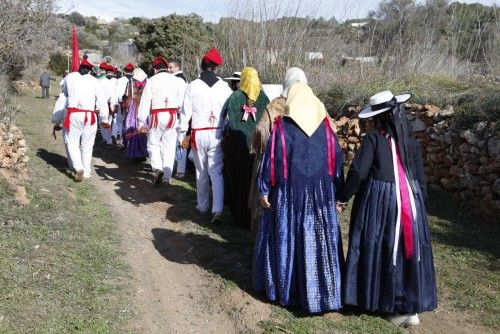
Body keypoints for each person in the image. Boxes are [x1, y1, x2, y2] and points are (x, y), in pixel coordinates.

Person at [337, 90, 437, 326]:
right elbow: (421, 179)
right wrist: (420, 208)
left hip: (381, 201)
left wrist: (342, 197)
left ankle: (388, 302)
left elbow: (359, 172)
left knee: (381, 245)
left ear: (378, 117)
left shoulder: (373, 139)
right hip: (411, 202)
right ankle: (409, 306)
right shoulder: (411, 142)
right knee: (406, 249)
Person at [253, 82, 344, 313]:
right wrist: (337, 192)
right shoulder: (327, 129)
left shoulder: (282, 128)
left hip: (288, 197)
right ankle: (324, 292)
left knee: (288, 237)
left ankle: (287, 289)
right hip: (321, 197)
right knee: (318, 240)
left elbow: (270, 162)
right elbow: (337, 163)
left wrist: (263, 189)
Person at [249, 67, 308, 234]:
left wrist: (267, 146)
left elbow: (261, 130)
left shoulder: (276, 104)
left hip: (275, 160)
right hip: (304, 162)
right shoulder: (312, 104)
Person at [178, 48, 232, 223]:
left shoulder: (192, 85)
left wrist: (181, 134)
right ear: (216, 67)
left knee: (201, 171)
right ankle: (217, 209)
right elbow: (230, 113)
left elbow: (185, 113)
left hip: (199, 133)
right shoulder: (224, 87)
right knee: (216, 172)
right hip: (217, 132)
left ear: (202, 66)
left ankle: (202, 206)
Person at [222, 67, 269, 228]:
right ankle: (250, 214)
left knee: (237, 177)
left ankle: (238, 213)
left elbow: (228, 120)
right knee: (252, 178)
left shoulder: (235, 97)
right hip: (256, 145)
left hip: (238, 144)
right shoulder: (264, 98)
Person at [138, 56, 187, 185]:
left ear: (155, 69)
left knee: (153, 144)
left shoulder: (152, 80)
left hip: (156, 116)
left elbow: (145, 101)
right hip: (172, 116)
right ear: (166, 68)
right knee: (169, 146)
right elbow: (183, 103)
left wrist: (141, 121)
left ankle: (157, 168)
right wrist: (182, 117)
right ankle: (167, 176)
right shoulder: (178, 81)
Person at [61, 59, 109, 181]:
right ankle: (86, 171)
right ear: (89, 70)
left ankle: (78, 167)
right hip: (90, 116)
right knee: (87, 145)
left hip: (75, 114)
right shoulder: (94, 81)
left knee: (72, 142)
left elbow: (65, 93)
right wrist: (104, 118)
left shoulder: (70, 77)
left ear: (79, 68)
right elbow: (102, 100)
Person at [168, 59, 189, 178]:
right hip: (179, 114)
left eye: (171, 67)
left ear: (177, 67)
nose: (169, 70)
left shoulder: (179, 80)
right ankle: (177, 166)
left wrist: (179, 111)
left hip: (179, 114)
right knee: (177, 141)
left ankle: (180, 169)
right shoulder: (180, 78)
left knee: (180, 142)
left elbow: (181, 98)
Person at [122, 68, 149, 162]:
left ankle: (134, 153)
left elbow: (126, 96)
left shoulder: (130, 81)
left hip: (133, 107)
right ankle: (143, 152)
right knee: (143, 128)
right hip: (145, 106)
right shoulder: (148, 81)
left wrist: (126, 107)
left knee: (132, 126)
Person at [114, 63, 135, 147]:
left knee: (120, 122)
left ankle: (121, 139)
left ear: (125, 71)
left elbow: (116, 93)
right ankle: (129, 139)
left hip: (122, 103)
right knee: (130, 122)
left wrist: (116, 103)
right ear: (132, 71)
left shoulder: (120, 80)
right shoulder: (134, 80)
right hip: (133, 105)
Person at [98, 62, 118, 145]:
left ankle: (107, 138)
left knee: (105, 121)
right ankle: (107, 138)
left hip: (107, 103)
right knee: (107, 121)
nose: (110, 73)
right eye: (109, 72)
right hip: (108, 103)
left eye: (110, 72)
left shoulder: (102, 81)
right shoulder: (115, 81)